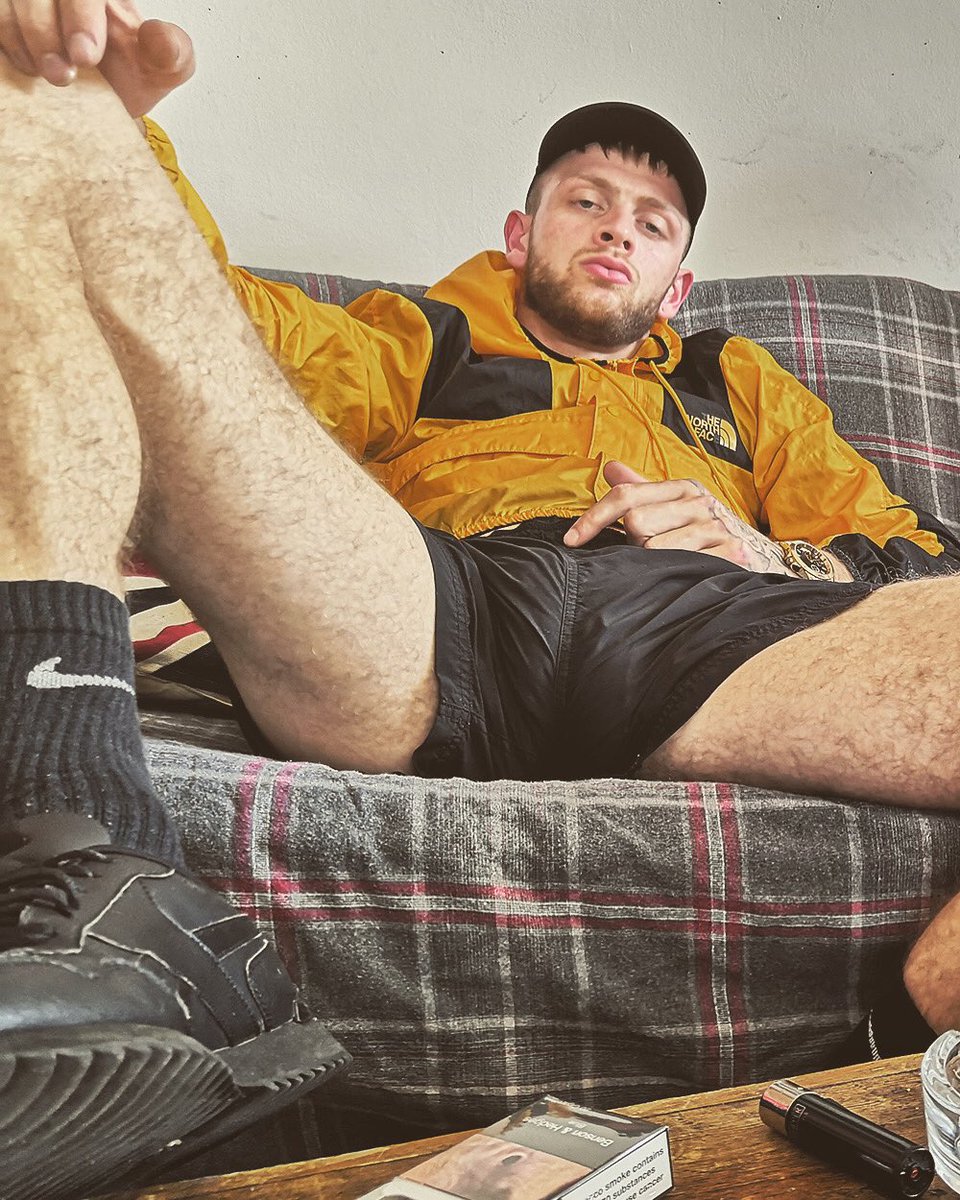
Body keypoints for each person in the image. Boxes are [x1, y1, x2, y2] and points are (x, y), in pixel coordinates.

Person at [0, 7, 958, 1199]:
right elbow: (216, 345)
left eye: (651, 221)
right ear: (521, 233)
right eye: (586, 199)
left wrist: (775, 555)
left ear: (677, 281)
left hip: (718, 622)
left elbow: (917, 550)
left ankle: (919, 1024)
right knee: (39, 123)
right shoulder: (429, 336)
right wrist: (118, 134)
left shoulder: (736, 384)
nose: (616, 228)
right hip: (436, 603)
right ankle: (104, 880)